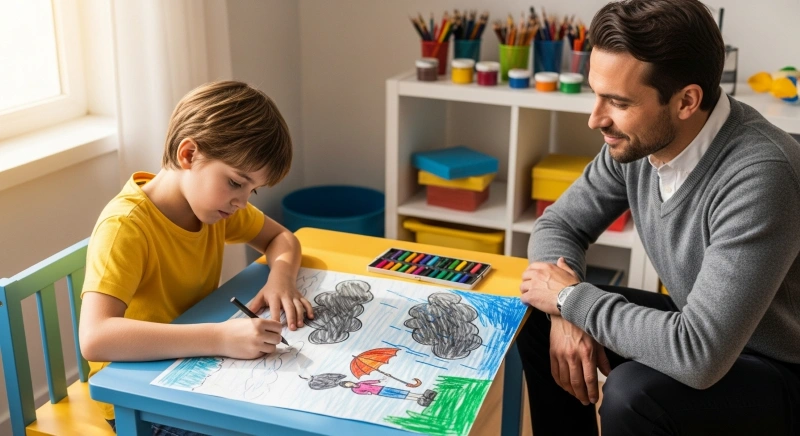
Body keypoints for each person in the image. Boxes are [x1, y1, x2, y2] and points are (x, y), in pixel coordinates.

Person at [517, 0, 800, 434]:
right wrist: (562, 313)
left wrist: (571, 300)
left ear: (687, 100)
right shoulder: (636, 142)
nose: (596, 119)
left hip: (780, 368)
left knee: (635, 395)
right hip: (706, 326)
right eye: (597, 93)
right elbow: (560, 224)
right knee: (537, 318)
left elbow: (698, 354)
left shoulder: (761, 175)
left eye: (618, 101)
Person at [79, 81, 315, 435]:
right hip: (138, 399)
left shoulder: (216, 207)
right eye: (236, 182)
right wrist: (219, 339)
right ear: (188, 155)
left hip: (194, 367)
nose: (242, 202)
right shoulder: (126, 227)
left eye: (252, 190)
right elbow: (96, 338)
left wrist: (280, 277)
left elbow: (282, 238)